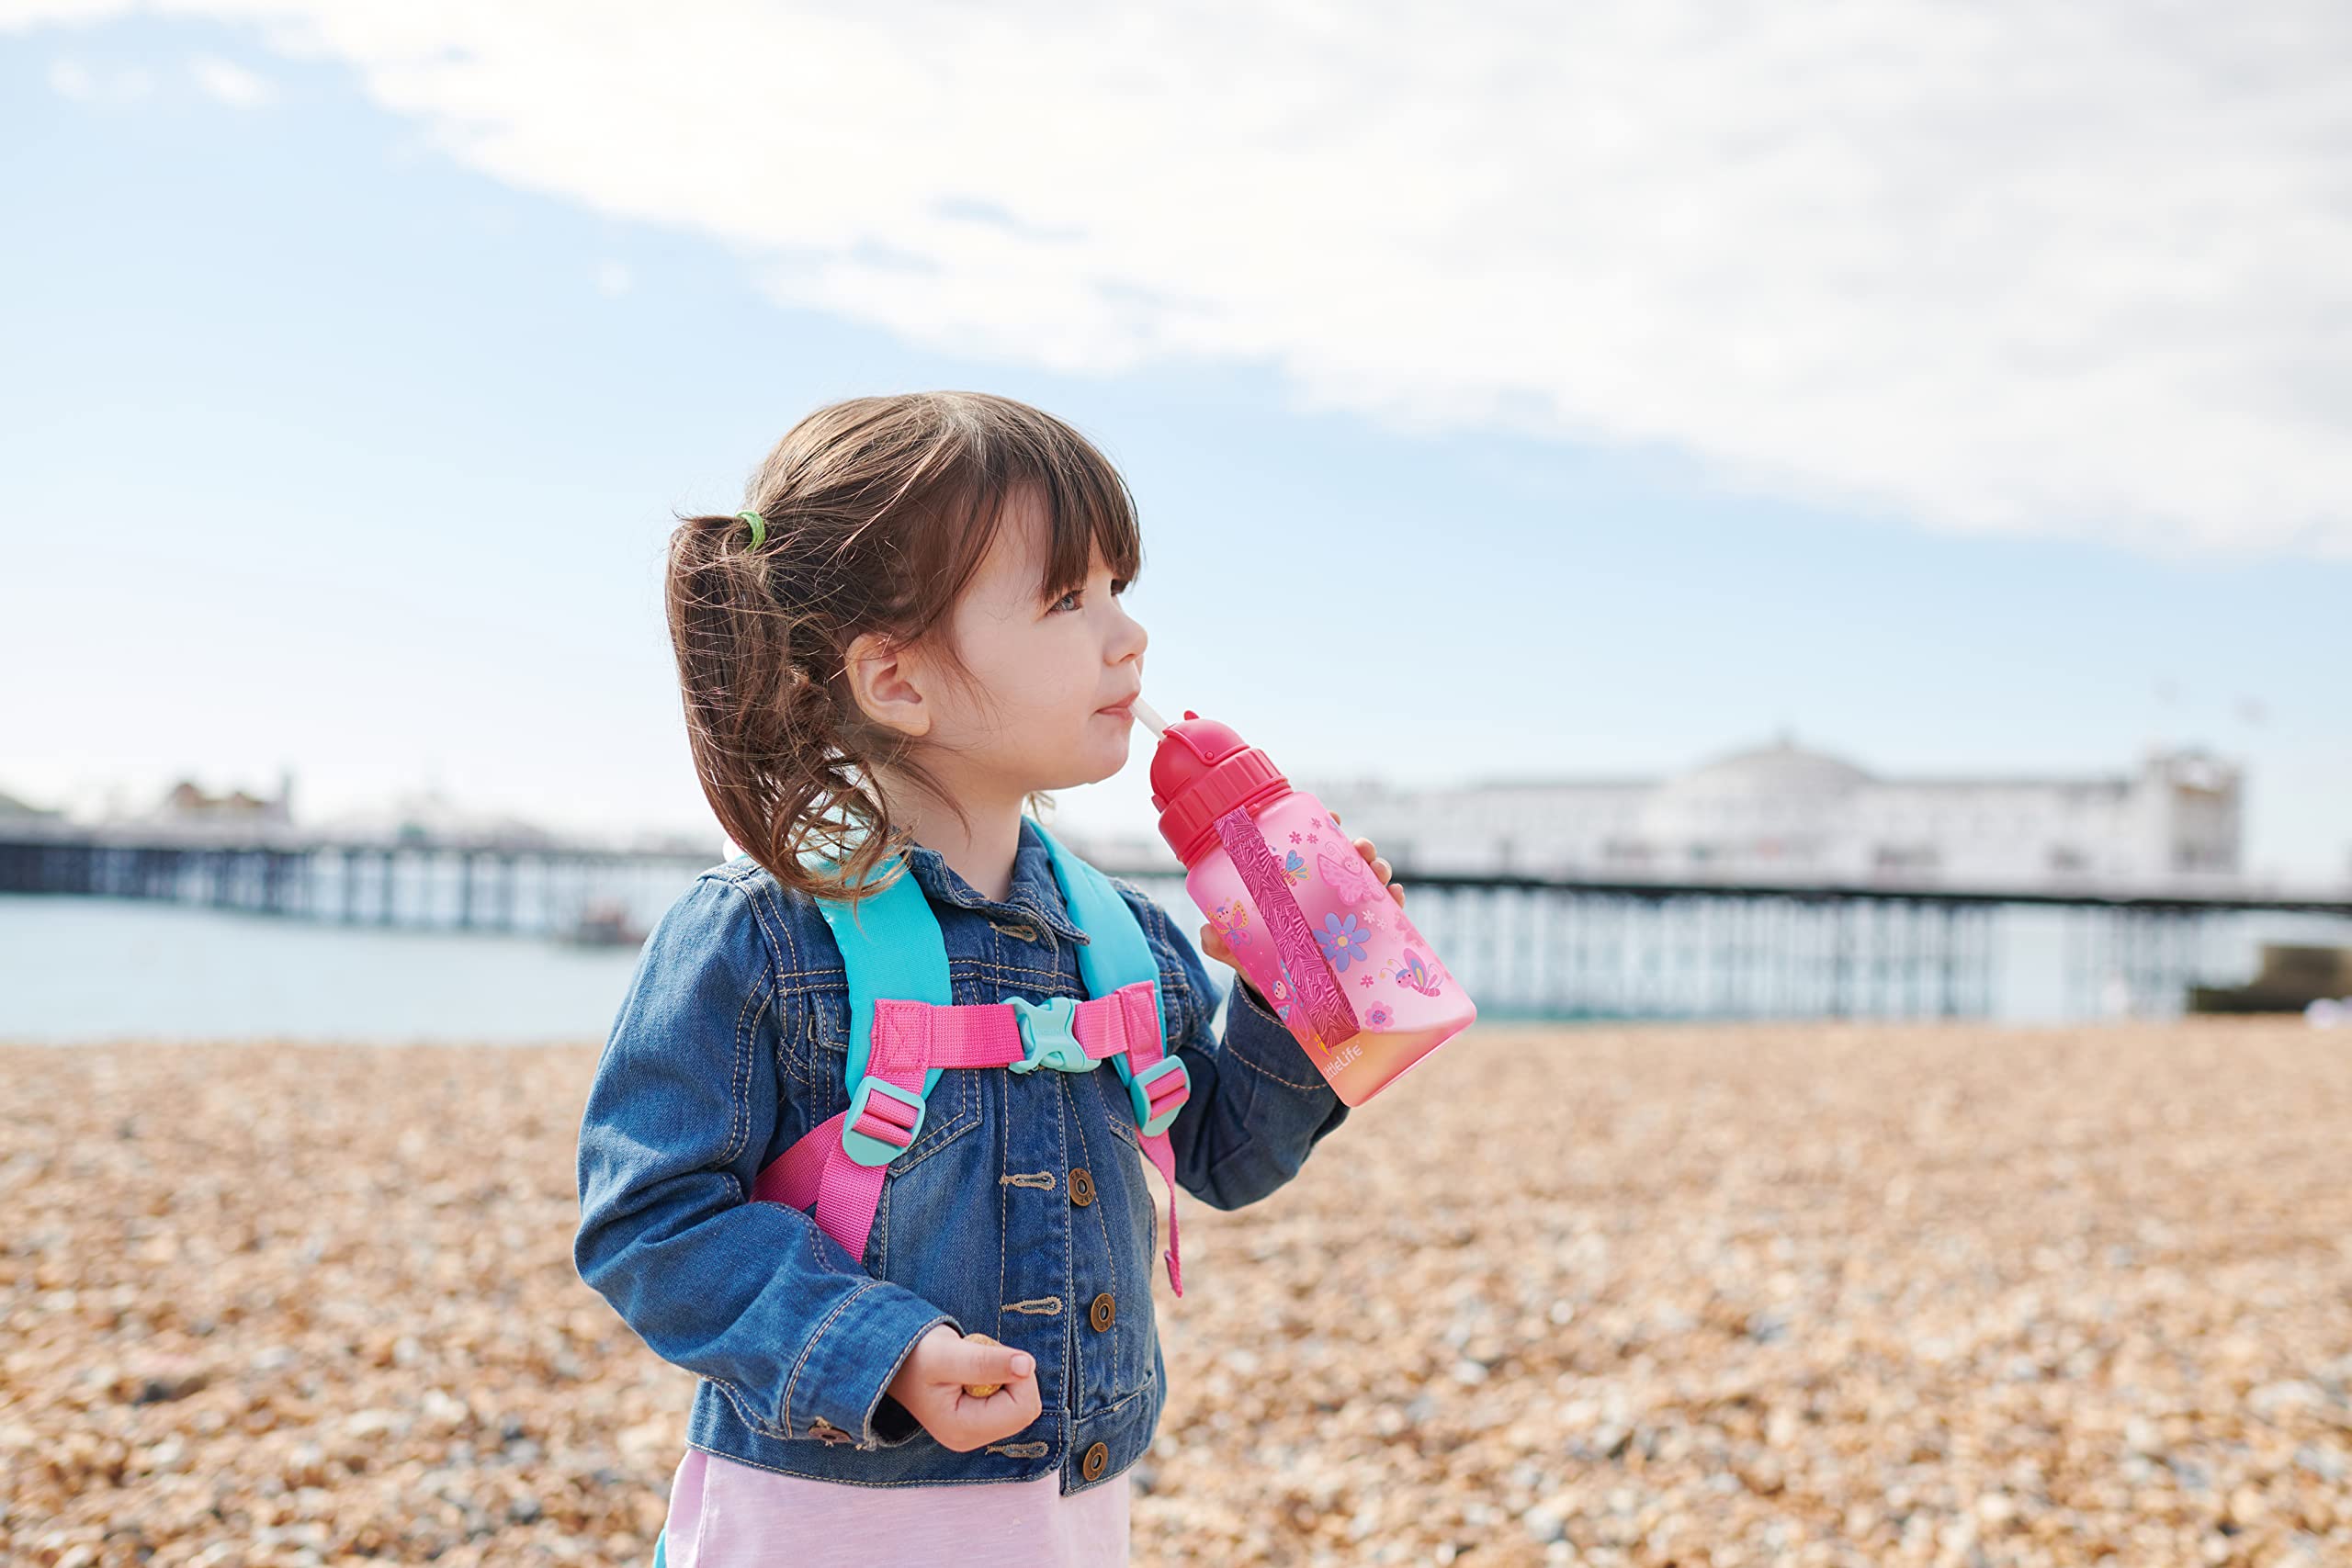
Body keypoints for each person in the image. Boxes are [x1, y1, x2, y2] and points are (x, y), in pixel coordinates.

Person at [573, 391, 1403, 1566]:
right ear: (895, 679)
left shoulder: (1117, 930)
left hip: (1066, 1518)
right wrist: (885, 1351)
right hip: (821, 1523)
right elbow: (648, 1222)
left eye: (1119, 588)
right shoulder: (764, 933)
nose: (1128, 637)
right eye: (1069, 599)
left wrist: (1298, 995)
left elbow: (1224, 1157)